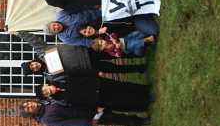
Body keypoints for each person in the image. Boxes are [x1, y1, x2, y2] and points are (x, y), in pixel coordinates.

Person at [18, 31, 147, 79]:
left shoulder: (42, 51)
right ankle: (139, 68)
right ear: (35, 72)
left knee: (114, 52)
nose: (35, 66)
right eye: (33, 69)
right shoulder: (49, 74)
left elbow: (32, 39)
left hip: (87, 50)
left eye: (32, 65)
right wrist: (92, 74)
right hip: (88, 66)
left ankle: (137, 54)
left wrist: (18, 32)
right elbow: (71, 76)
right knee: (115, 69)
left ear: (32, 61)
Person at [35, 75, 152, 112]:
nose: (47, 91)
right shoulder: (61, 100)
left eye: (44, 89)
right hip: (97, 98)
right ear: (47, 96)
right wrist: (95, 108)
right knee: (122, 100)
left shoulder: (59, 79)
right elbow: (78, 106)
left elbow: (77, 75)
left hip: (97, 84)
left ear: (45, 85)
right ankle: (144, 103)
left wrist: (94, 76)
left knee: (122, 86)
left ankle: (144, 89)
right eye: (45, 94)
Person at [20, 100, 150, 126]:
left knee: (115, 107)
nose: (30, 105)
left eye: (28, 103)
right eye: (28, 108)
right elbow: (70, 125)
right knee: (116, 118)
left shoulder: (45, 102)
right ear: (31, 114)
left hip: (89, 105)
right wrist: (95, 118)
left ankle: (141, 108)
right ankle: (140, 122)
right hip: (90, 116)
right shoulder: (47, 120)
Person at [89, 30, 156, 58]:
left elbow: (114, 34)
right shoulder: (110, 52)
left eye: (102, 41)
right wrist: (118, 48)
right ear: (101, 49)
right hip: (126, 47)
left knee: (135, 34)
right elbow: (119, 55)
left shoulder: (107, 38)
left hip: (125, 39)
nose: (104, 43)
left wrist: (115, 39)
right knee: (133, 43)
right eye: (102, 45)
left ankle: (147, 32)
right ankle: (148, 39)